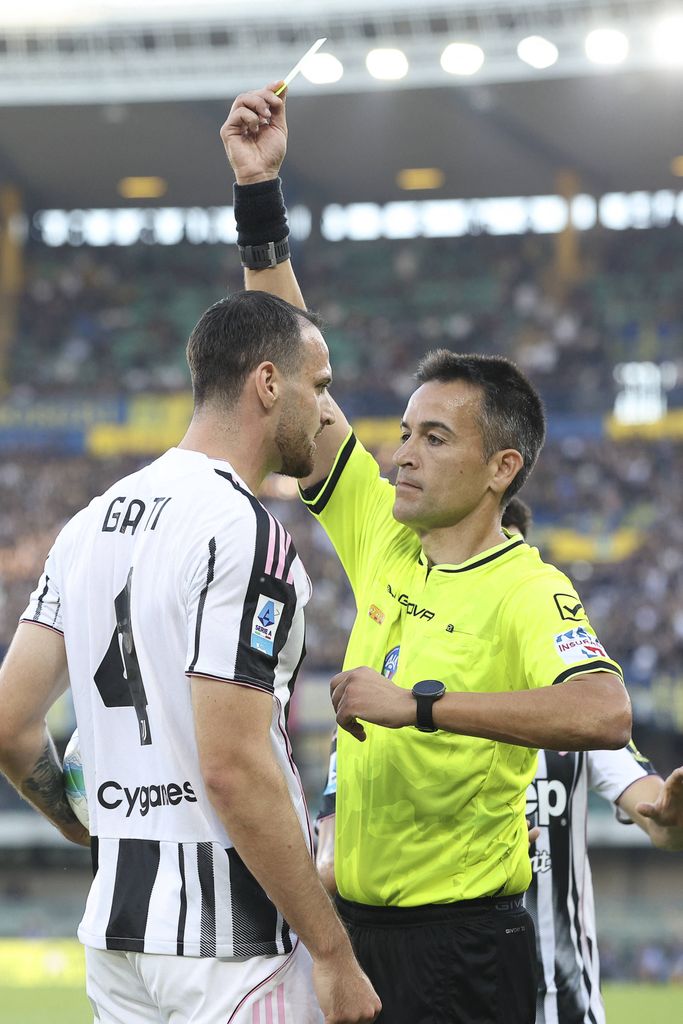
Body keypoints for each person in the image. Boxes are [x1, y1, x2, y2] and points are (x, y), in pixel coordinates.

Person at [221, 84, 632, 1024]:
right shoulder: (380, 529)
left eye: (433, 439)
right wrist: (258, 193)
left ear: (501, 468)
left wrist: (422, 708)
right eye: (403, 431)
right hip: (351, 929)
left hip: (466, 948)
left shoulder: (528, 588)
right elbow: (298, 374)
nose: (400, 452)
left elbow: (603, 712)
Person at [0, 291, 381, 1024]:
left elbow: (12, 723)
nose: (327, 412)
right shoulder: (244, 529)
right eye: (321, 386)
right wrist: (332, 953)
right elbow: (231, 766)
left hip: (117, 933)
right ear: (269, 384)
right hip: (230, 944)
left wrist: (81, 822)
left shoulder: (91, 522)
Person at [503, 497, 683, 1024]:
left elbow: (653, 810)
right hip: (455, 988)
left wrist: (669, 817)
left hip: (566, 1003)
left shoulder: (578, 712)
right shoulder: (423, 701)